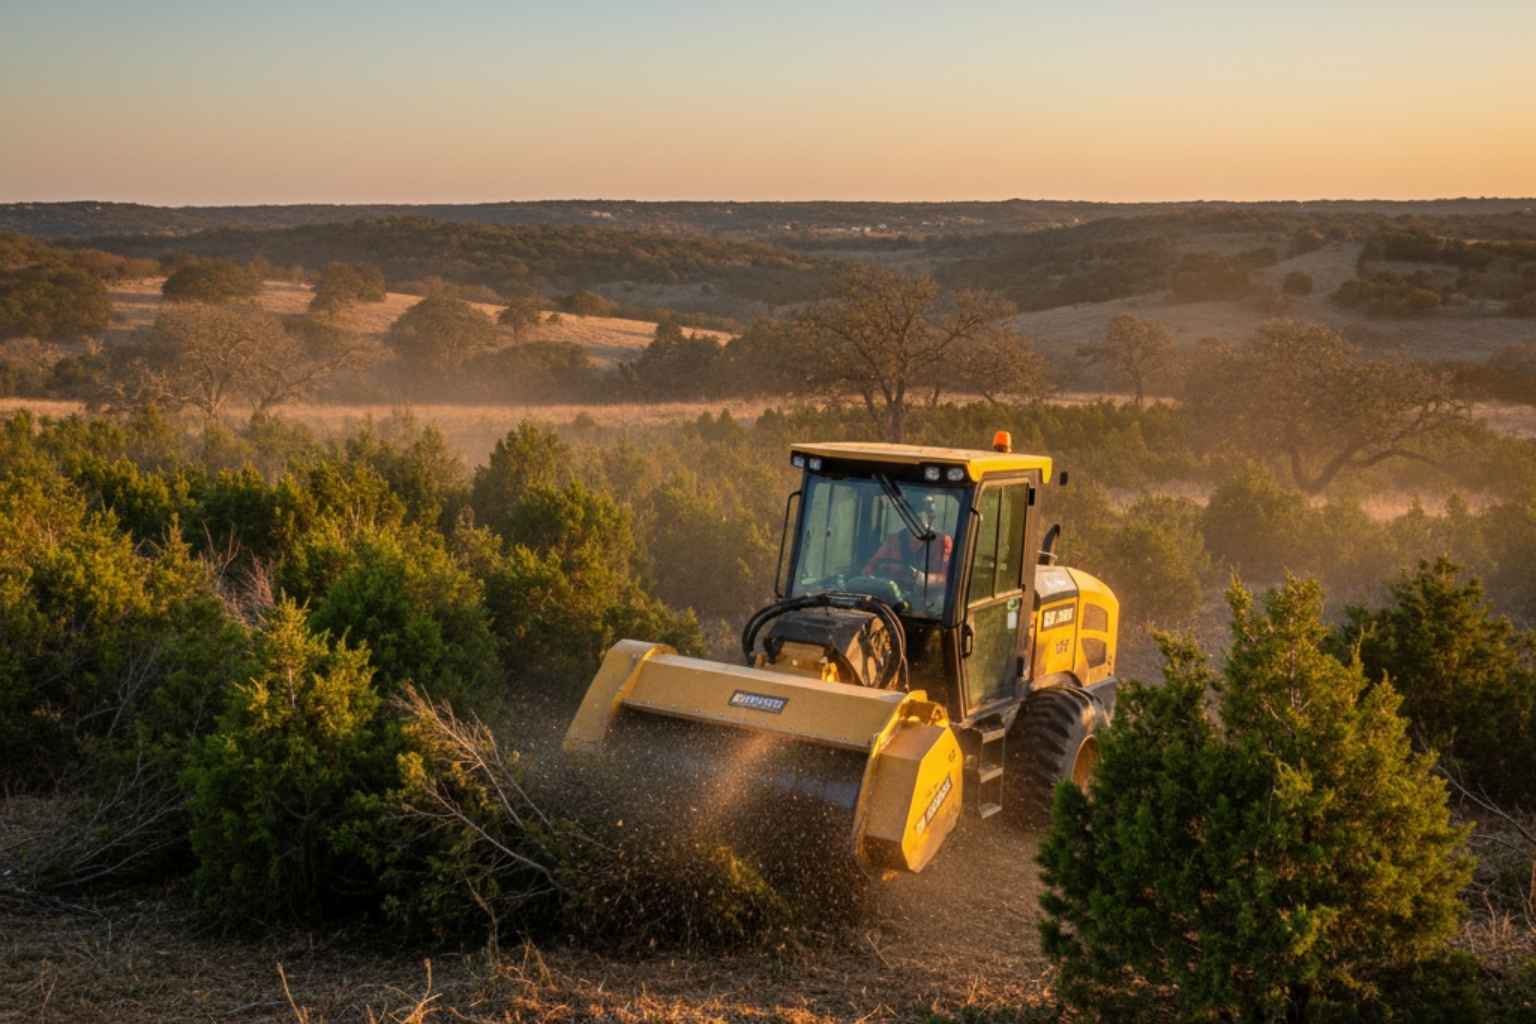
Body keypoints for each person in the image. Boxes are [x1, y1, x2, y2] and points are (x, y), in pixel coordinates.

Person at [863, 492, 953, 593]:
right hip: (893, 596)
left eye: (921, 513)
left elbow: (946, 579)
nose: (915, 518)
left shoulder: (943, 542)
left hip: (927, 599)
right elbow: (871, 567)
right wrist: (872, 577)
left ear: (931, 516)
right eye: (912, 512)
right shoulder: (893, 540)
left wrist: (920, 577)